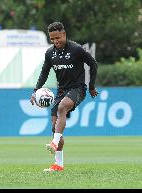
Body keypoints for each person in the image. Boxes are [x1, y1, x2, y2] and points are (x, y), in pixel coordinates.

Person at [30, 22, 98, 172]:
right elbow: (44, 73)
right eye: (52, 39)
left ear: (64, 35)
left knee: (62, 107)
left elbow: (93, 64)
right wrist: (35, 91)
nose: (56, 41)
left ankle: (54, 143)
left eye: (58, 38)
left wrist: (91, 86)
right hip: (61, 91)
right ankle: (58, 165)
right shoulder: (50, 53)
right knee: (55, 127)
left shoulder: (76, 49)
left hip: (78, 89)